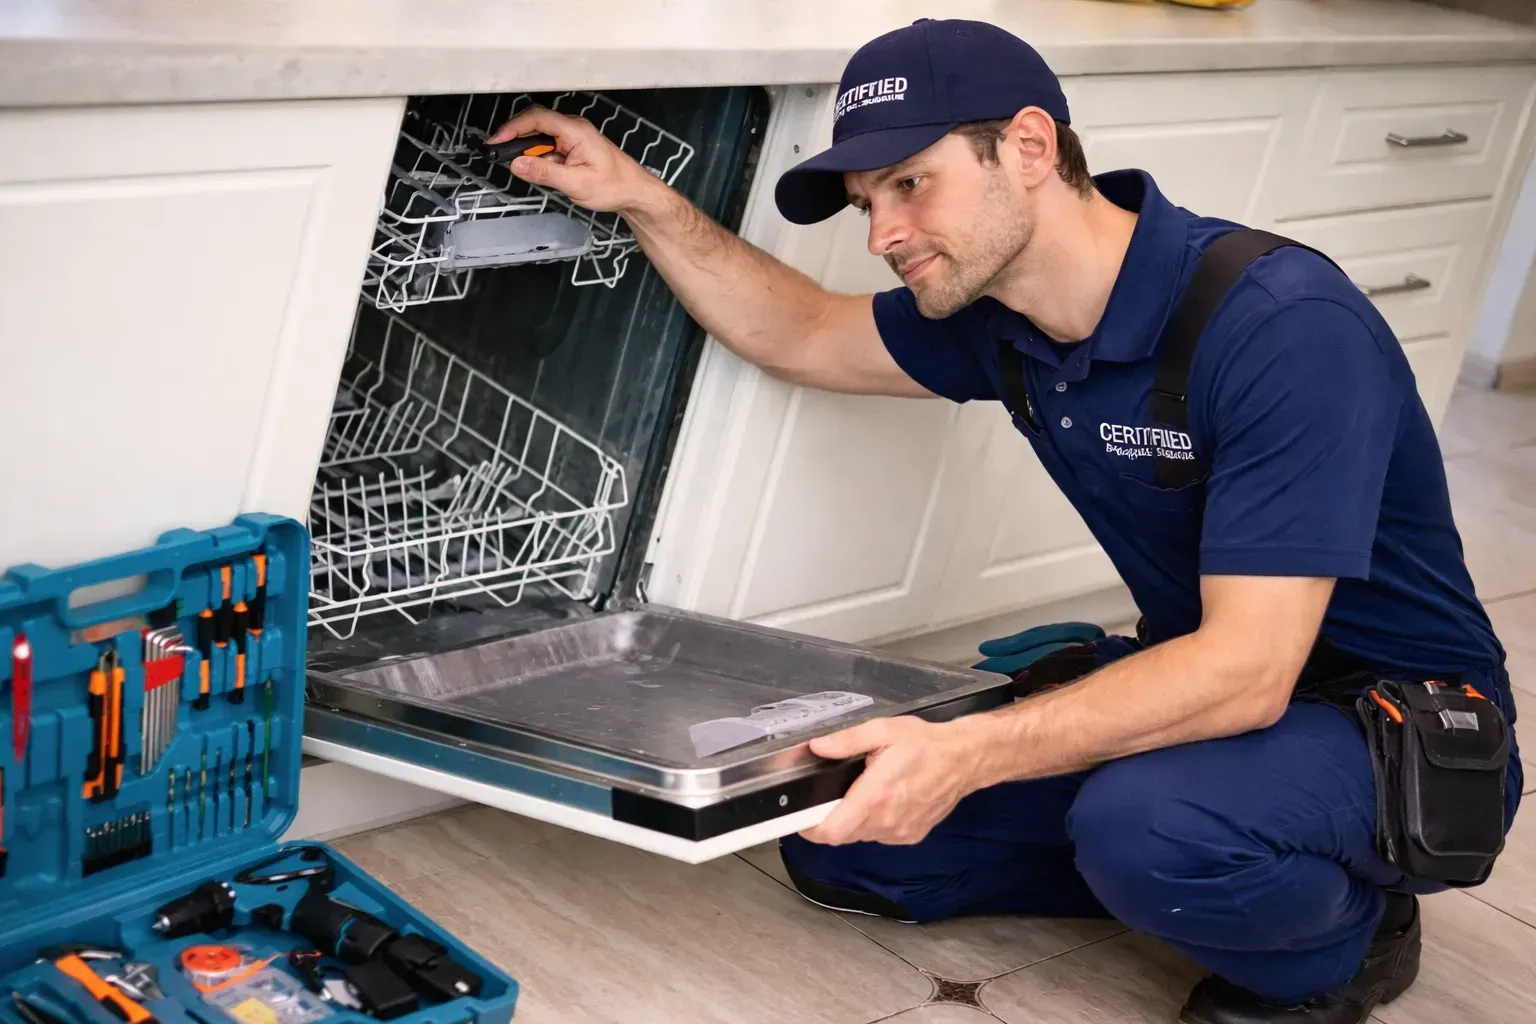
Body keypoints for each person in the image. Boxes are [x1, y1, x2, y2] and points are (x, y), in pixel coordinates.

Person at [487, 18, 1522, 1024]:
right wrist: (637, 196)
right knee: (843, 834)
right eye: (865, 204)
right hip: (1215, 680)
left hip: (1391, 723)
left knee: (1150, 828)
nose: (885, 234)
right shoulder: (1005, 321)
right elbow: (803, 328)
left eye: (910, 184)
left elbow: (1251, 671)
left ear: (1028, 146)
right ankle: (1180, 843)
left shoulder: (1281, 327)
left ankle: (1344, 935)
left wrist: (979, 751)